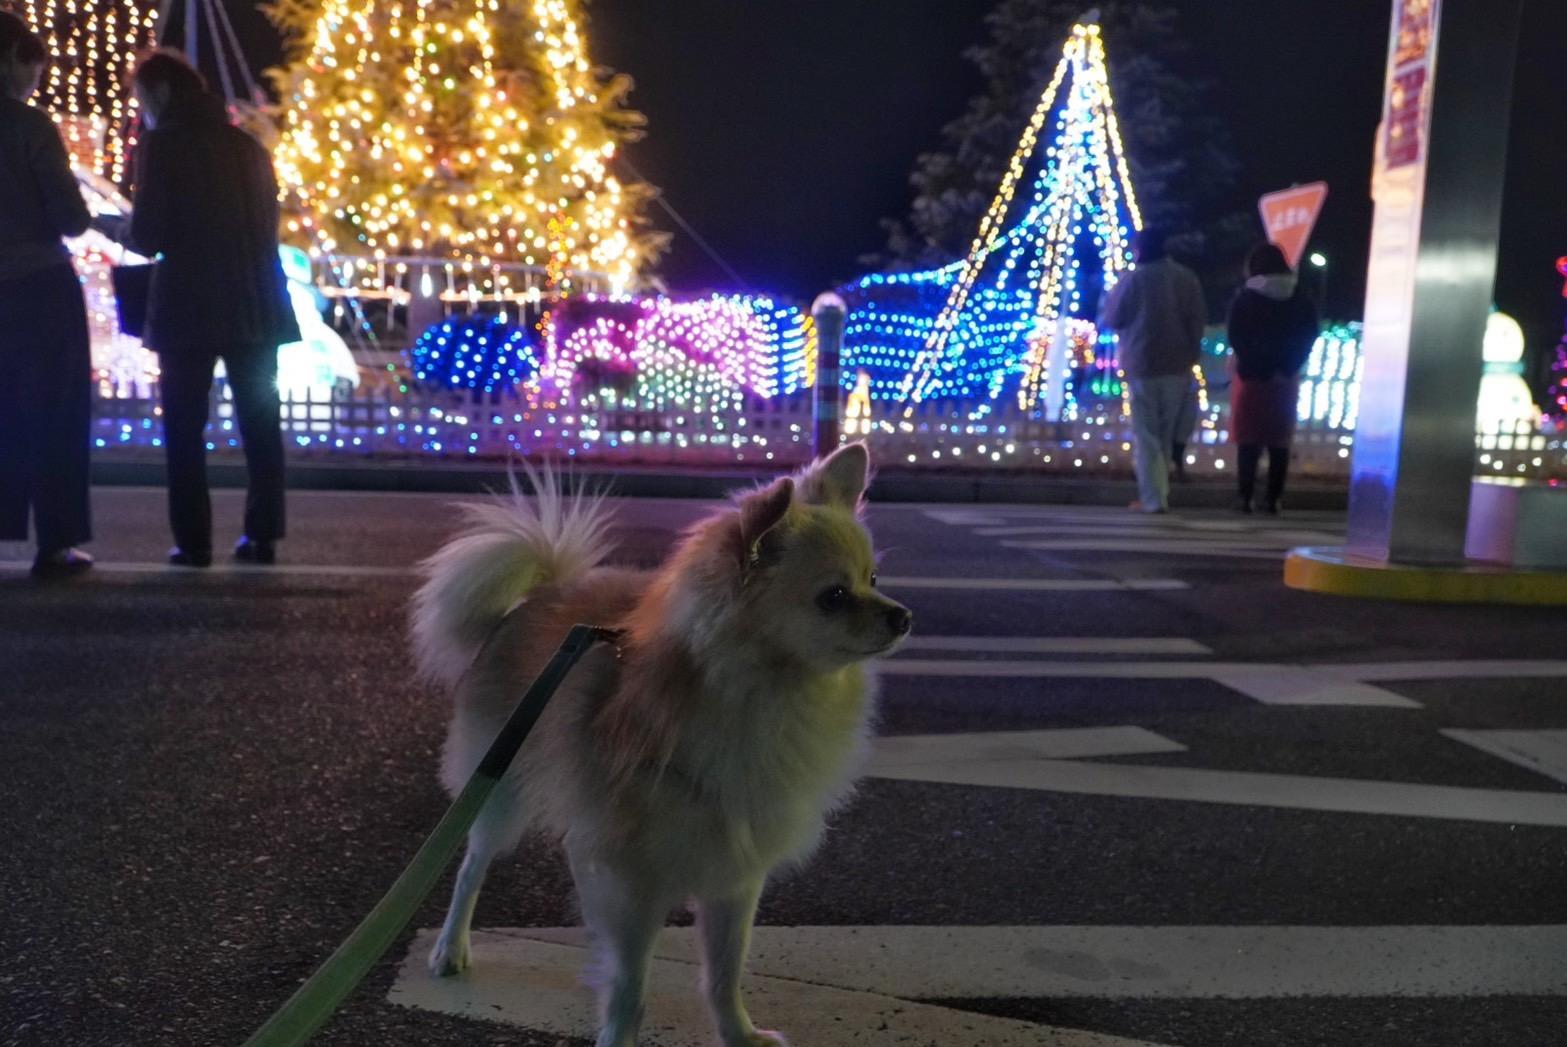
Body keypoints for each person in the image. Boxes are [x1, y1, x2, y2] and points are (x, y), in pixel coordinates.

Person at [108, 50, 299, 566]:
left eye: (142, 98)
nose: (141, 109)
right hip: (257, 302)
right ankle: (262, 536)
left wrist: (115, 227)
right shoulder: (249, 146)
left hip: (189, 306)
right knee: (260, 424)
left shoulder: (164, 144)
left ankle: (193, 542)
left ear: (161, 93)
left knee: (186, 428)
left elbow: (148, 235)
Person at [0, 13, 95, 579]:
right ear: (12, 58)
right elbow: (69, 215)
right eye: (31, 70)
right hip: (37, 284)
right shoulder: (30, 128)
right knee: (53, 411)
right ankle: (55, 539)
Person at [1099, 227, 1206, 514]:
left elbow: (1113, 317)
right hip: (1177, 363)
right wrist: (1192, 353)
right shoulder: (1185, 278)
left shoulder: (1132, 280)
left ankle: (1153, 497)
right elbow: (1196, 320)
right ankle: (1160, 493)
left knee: (1145, 433)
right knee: (1166, 430)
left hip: (1141, 362)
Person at [1225, 242, 1319, 514]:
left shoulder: (1246, 298)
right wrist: (1289, 365)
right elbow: (1308, 334)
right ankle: (1274, 498)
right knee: (1279, 440)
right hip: (1286, 377)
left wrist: (1254, 364)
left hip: (1252, 376)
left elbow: (1237, 335)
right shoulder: (1300, 297)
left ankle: (1245, 496)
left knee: (1249, 438)